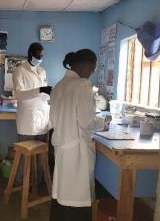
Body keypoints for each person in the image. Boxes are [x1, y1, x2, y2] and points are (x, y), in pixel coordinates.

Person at [49, 49, 110, 221]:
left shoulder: (59, 85)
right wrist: (104, 122)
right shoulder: (82, 85)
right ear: (87, 65)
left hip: (62, 147)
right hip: (76, 151)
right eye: (92, 70)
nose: (90, 75)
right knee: (76, 197)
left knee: (62, 193)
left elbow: (53, 119)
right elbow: (87, 122)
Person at [12, 42, 52, 185]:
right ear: (30, 54)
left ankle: (38, 184)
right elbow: (19, 95)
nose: (40, 58)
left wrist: (49, 93)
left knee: (41, 156)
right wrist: (40, 90)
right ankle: (22, 184)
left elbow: (44, 95)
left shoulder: (42, 71)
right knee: (25, 157)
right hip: (28, 119)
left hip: (42, 118)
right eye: (37, 55)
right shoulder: (19, 70)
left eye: (42, 56)